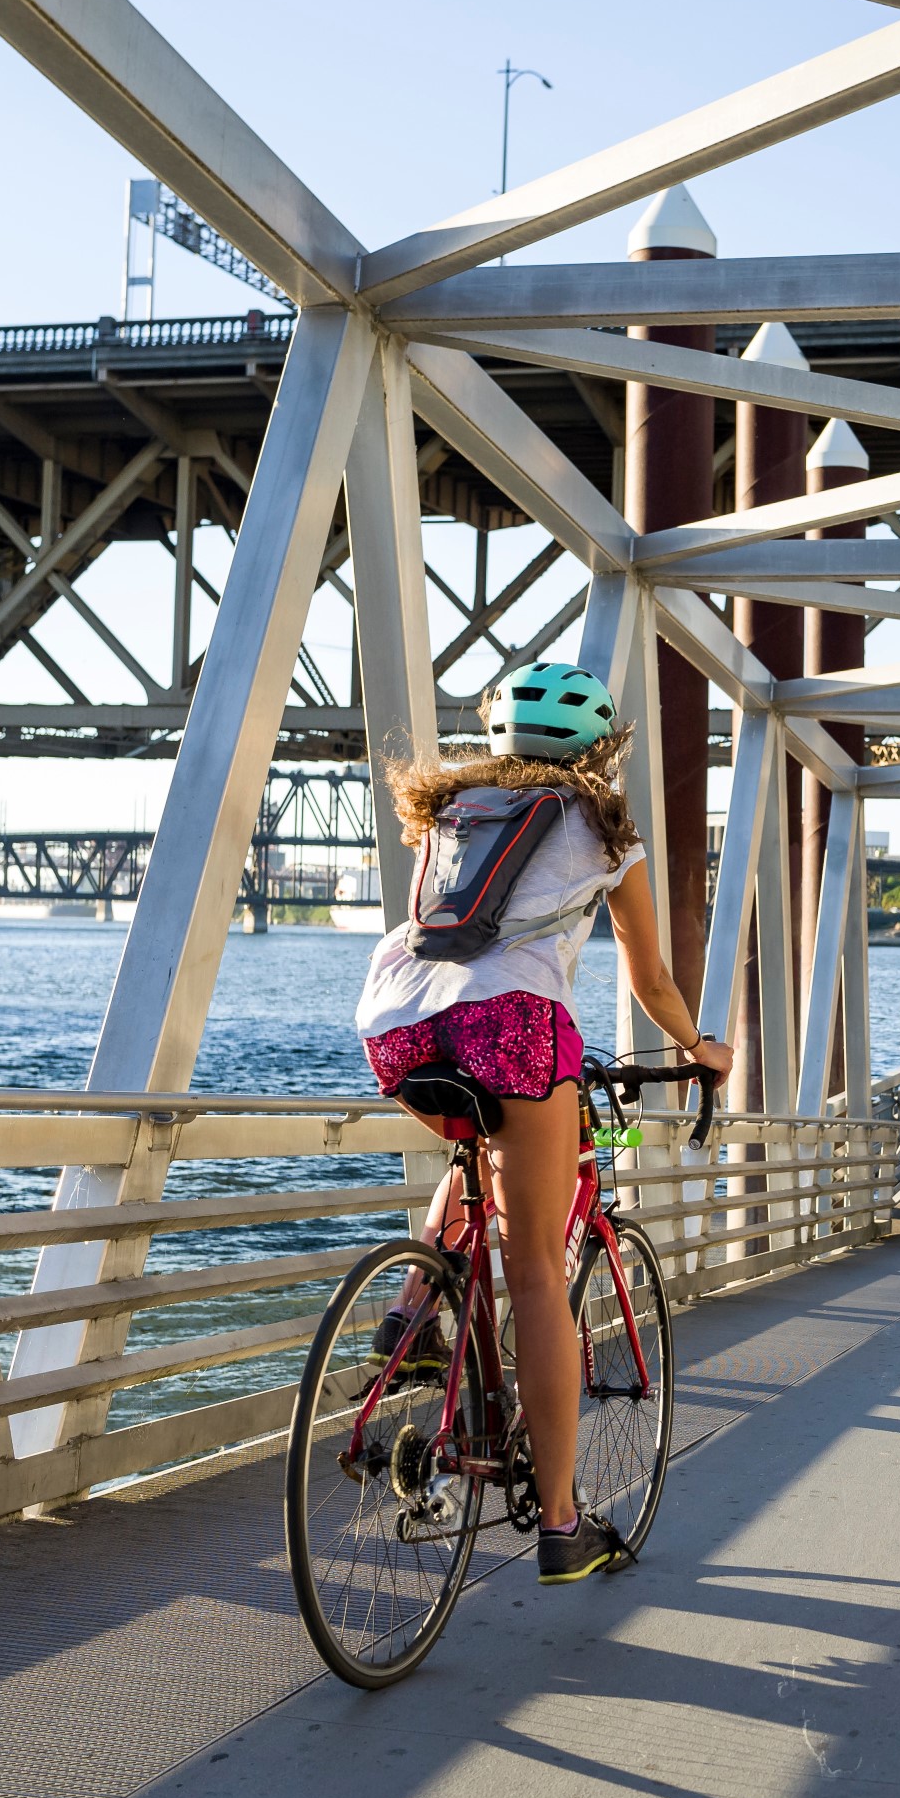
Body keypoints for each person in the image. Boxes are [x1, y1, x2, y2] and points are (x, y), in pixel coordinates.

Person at [354, 661, 731, 1586]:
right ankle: (562, 1524)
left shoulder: (452, 813)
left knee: (478, 1151)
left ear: (495, 740)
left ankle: (412, 1312)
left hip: (399, 1022)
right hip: (515, 1033)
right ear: (599, 749)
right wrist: (702, 1046)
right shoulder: (602, 831)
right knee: (532, 1271)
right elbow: (649, 980)